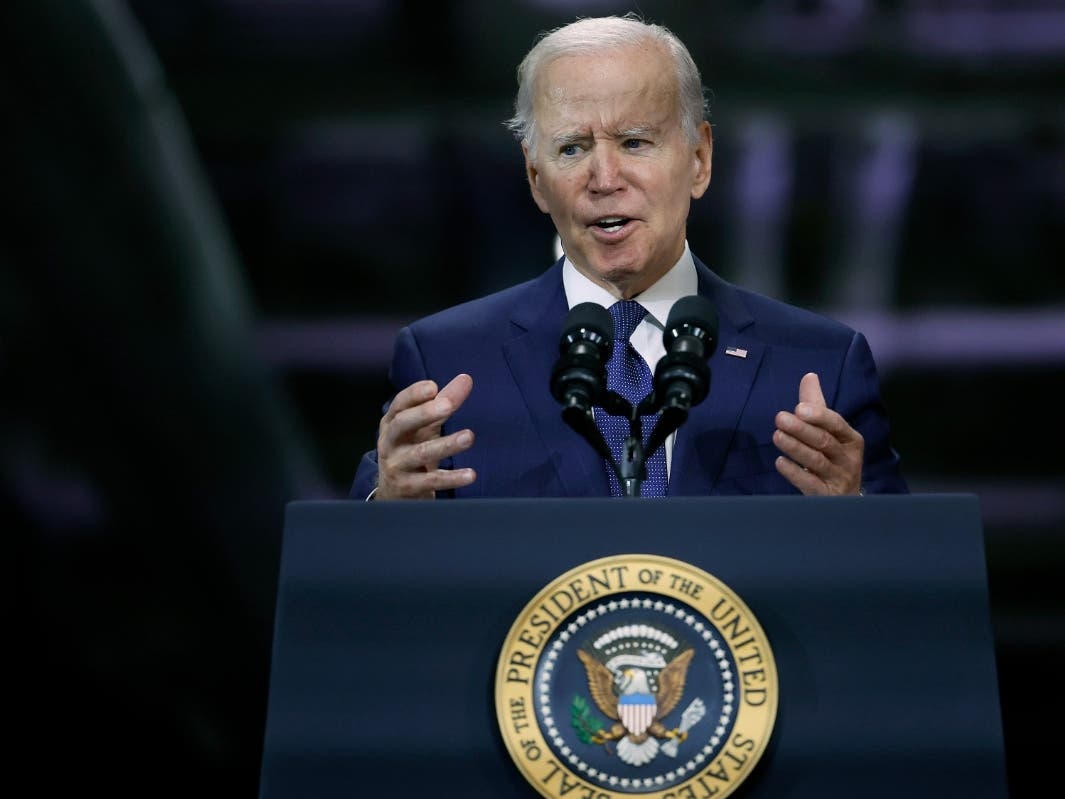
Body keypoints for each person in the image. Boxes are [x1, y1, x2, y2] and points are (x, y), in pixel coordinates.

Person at [351, 14, 907, 501]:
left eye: (635, 142)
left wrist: (851, 512)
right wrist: (393, 515)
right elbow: (356, 589)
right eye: (573, 148)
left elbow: (902, 592)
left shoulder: (817, 366)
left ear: (699, 159)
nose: (604, 179)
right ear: (536, 179)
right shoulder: (446, 363)